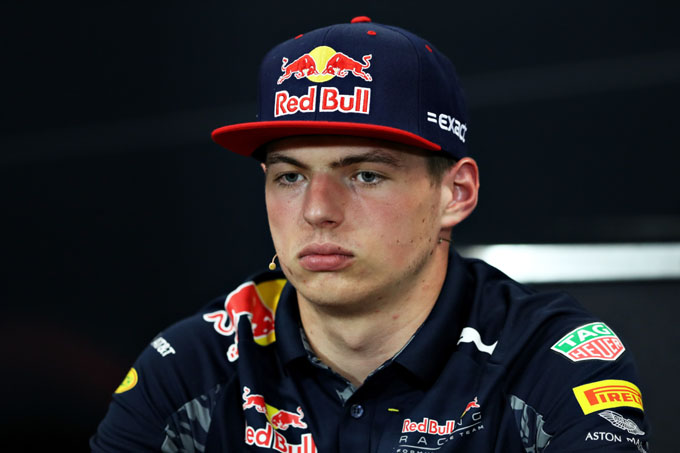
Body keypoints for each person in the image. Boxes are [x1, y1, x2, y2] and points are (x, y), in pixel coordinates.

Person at [91, 17, 649, 452]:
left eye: (365, 175)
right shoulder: (196, 362)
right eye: (290, 177)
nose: (317, 211)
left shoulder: (552, 360)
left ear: (455, 193)